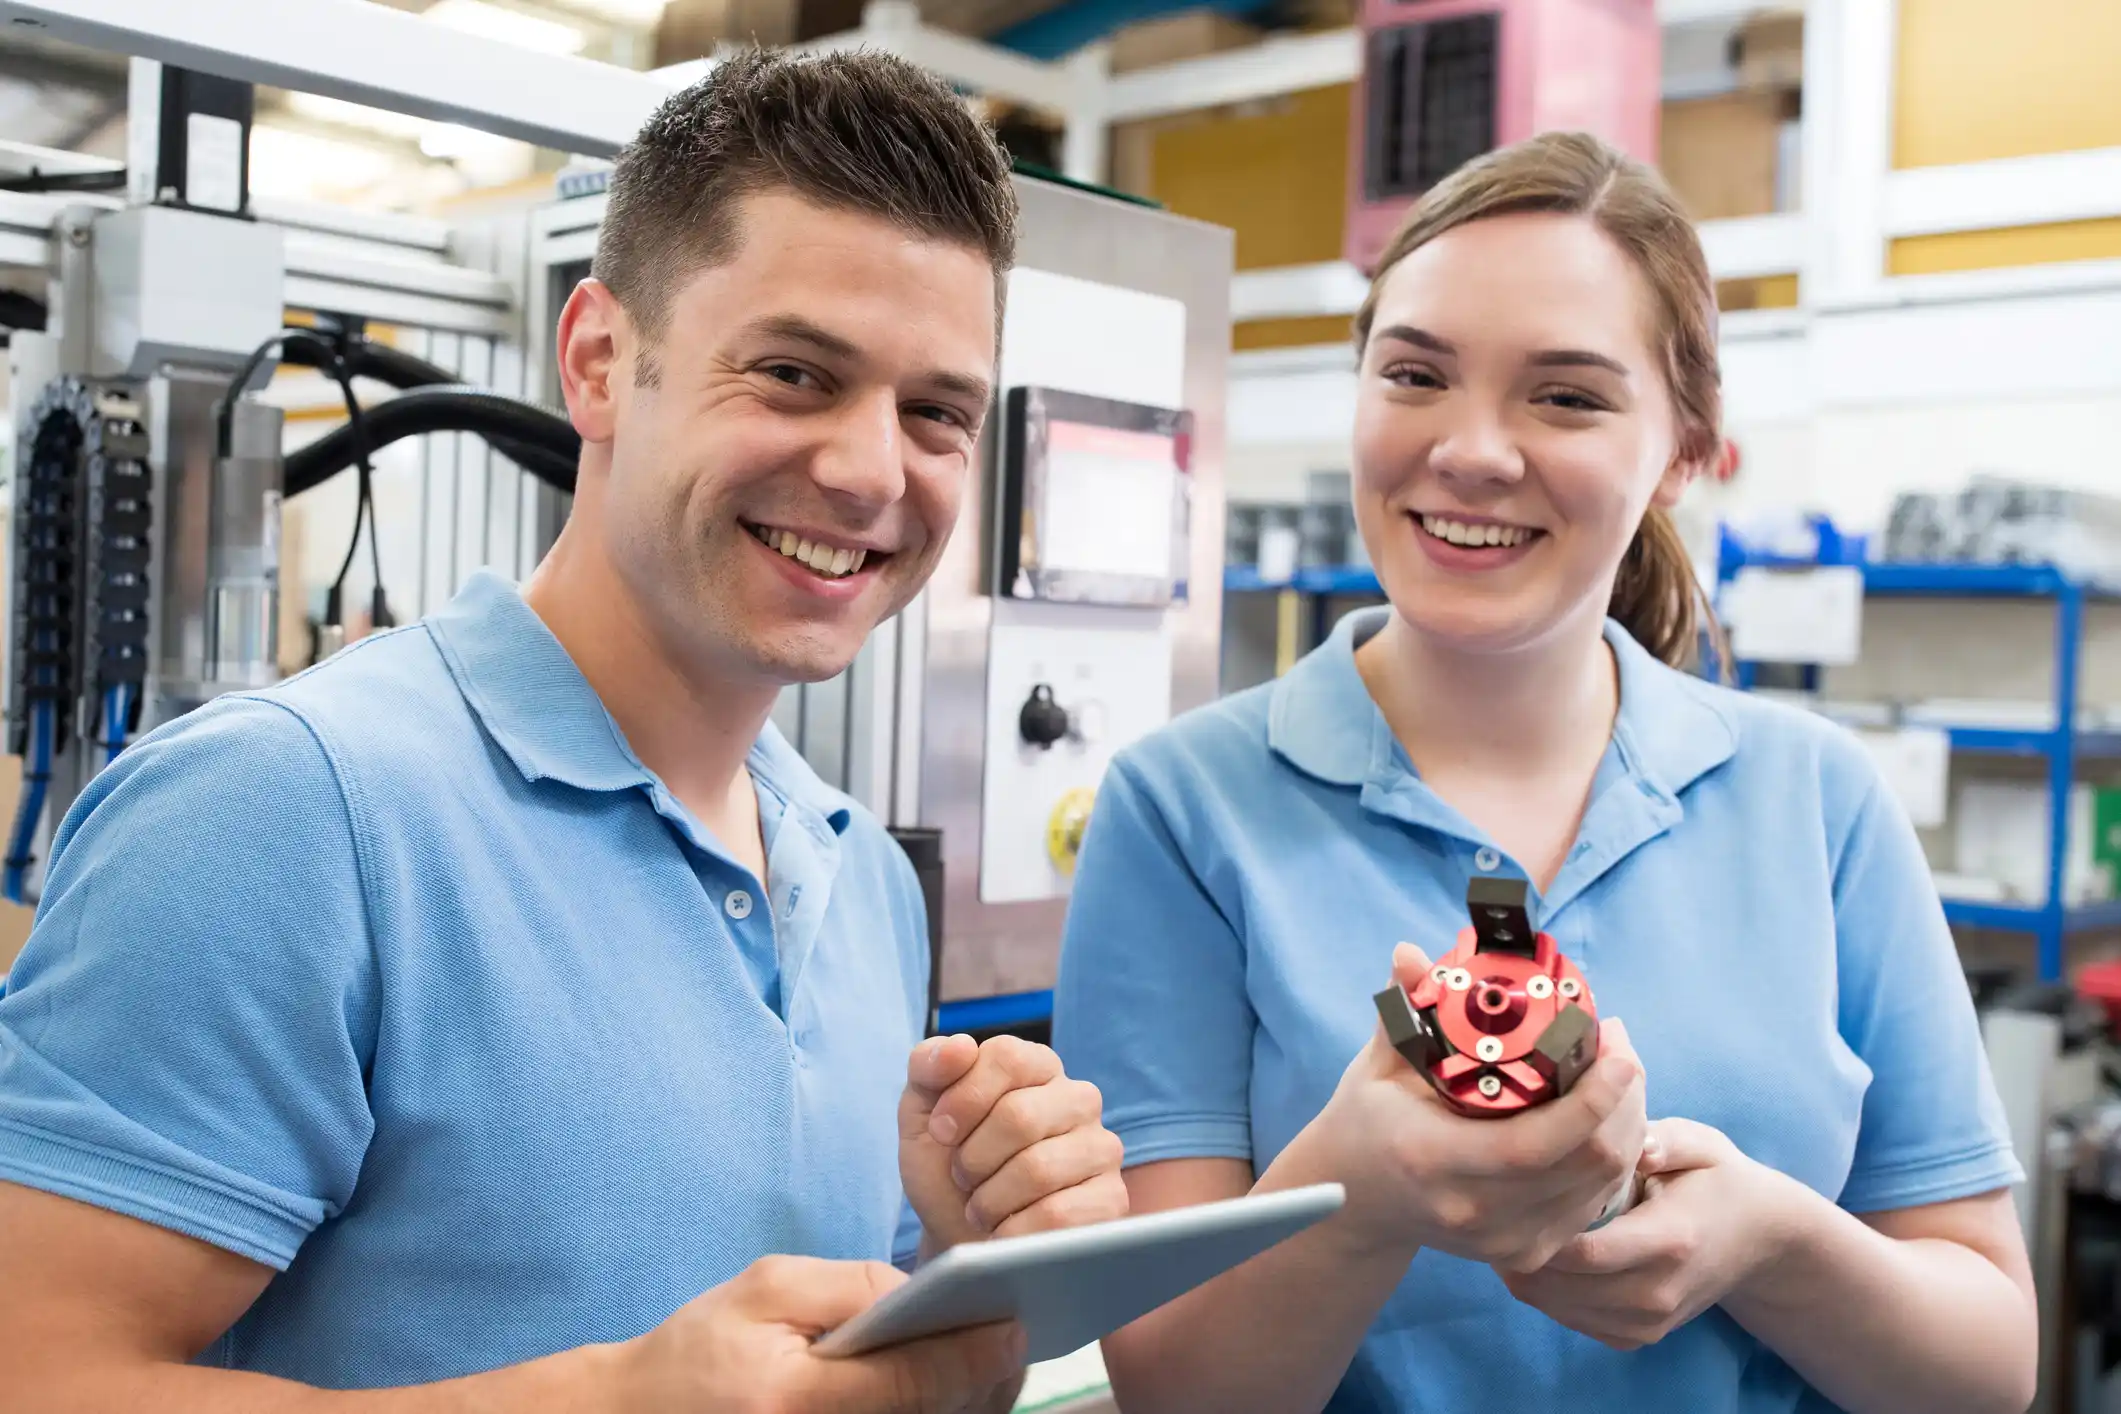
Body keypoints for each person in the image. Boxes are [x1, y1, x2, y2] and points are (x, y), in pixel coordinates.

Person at [0, 49, 1128, 1414]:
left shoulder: (861, 878)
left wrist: (962, 1252)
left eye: (935, 411)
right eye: (790, 371)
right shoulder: (289, 813)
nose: (869, 469)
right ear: (599, 359)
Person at [1052, 131, 2037, 1414]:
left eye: (1564, 395)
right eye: (1414, 373)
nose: (1471, 450)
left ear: (1686, 449)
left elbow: (1989, 1368)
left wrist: (1776, 1244)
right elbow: (1176, 1391)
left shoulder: (1818, 802)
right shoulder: (1185, 812)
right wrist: (1356, 1193)